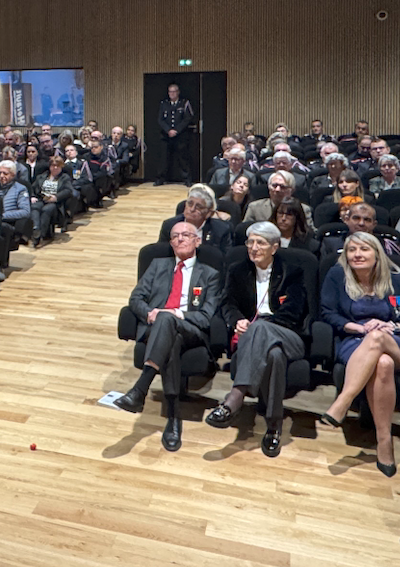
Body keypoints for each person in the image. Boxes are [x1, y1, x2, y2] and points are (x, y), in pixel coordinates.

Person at [316, 232, 400, 476]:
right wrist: (359, 327)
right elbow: (328, 314)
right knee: (382, 364)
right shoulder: (337, 276)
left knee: (378, 340)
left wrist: (392, 327)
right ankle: (384, 441)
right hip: (354, 341)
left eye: (363, 249)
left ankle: (343, 401)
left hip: (398, 341)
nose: (357, 254)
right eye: (352, 250)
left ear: (377, 254)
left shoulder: (399, 280)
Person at [113, 219, 225, 452]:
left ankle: (140, 389)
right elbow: (136, 299)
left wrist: (173, 314)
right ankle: (173, 417)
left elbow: (205, 316)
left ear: (197, 240)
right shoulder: (157, 265)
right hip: (158, 329)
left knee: (168, 320)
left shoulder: (210, 274)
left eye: (186, 235)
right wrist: (150, 314)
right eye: (175, 236)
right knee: (170, 337)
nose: (180, 239)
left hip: (192, 329)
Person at [210, 222, 310, 456]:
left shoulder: (292, 271)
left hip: (289, 335)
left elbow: (293, 313)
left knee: (261, 329)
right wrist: (237, 320)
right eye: (250, 242)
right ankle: (274, 425)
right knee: (274, 356)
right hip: (255, 339)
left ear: (274, 248)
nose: (253, 248)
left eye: (260, 243)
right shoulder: (237, 269)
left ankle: (235, 396)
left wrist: (256, 326)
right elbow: (227, 302)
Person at [320, 203, 400, 265]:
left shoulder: (387, 245)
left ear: (374, 224)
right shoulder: (330, 244)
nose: (361, 223)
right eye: (356, 218)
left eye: (367, 220)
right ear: (347, 220)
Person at [29, 156, 74, 247]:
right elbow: (32, 188)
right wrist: (32, 196)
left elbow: (68, 190)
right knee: (34, 207)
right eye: (53, 165)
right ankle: (36, 229)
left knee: (47, 210)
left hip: (56, 203)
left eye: (58, 166)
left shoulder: (65, 178)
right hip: (42, 199)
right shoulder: (41, 176)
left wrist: (56, 197)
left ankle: (40, 235)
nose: (55, 168)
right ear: (50, 166)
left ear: (61, 167)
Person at [157, 82, 195, 185]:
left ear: (178, 92)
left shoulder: (184, 103)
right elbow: (160, 120)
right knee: (164, 158)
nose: (172, 94)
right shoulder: (164, 104)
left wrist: (177, 130)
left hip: (180, 136)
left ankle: (187, 179)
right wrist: (168, 130)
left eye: (174, 91)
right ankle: (161, 178)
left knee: (183, 158)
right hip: (166, 135)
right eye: (170, 92)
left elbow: (188, 118)